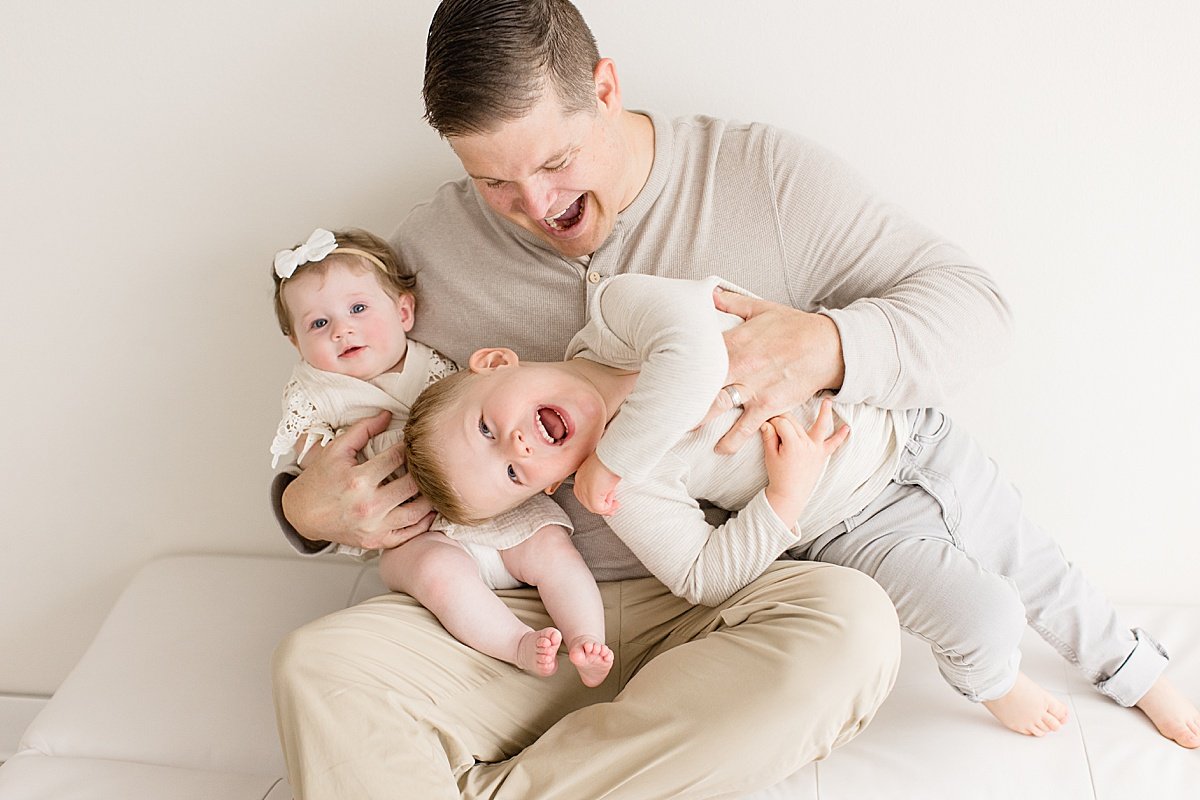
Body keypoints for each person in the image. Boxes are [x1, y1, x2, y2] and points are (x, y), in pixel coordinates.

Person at [268, 0, 1016, 796]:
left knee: (854, 630)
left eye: (556, 161)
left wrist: (827, 345)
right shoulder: (429, 256)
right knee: (320, 669)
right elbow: (342, 402)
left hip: (728, 597)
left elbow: (977, 310)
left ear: (606, 89)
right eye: (494, 181)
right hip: (521, 616)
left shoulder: (761, 179)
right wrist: (303, 510)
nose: (539, 204)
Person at [402, 272, 1200, 746]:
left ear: (496, 362)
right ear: (542, 490)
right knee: (987, 614)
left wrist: (610, 455)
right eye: (511, 468)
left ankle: (1132, 669)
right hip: (850, 525)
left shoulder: (616, 313)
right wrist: (784, 496)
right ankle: (993, 680)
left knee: (1032, 556)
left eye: (485, 421)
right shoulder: (625, 496)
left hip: (911, 432)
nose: (517, 440)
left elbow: (695, 358)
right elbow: (703, 578)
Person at [269, 226, 614, 686]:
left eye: (357, 309)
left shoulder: (434, 365)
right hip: (411, 534)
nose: (342, 329)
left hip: (490, 505)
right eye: (318, 323)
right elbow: (318, 472)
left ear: (404, 310)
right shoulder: (314, 394)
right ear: (297, 344)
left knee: (551, 547)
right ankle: (515, 643)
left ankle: (588, 639)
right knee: (437, 575)